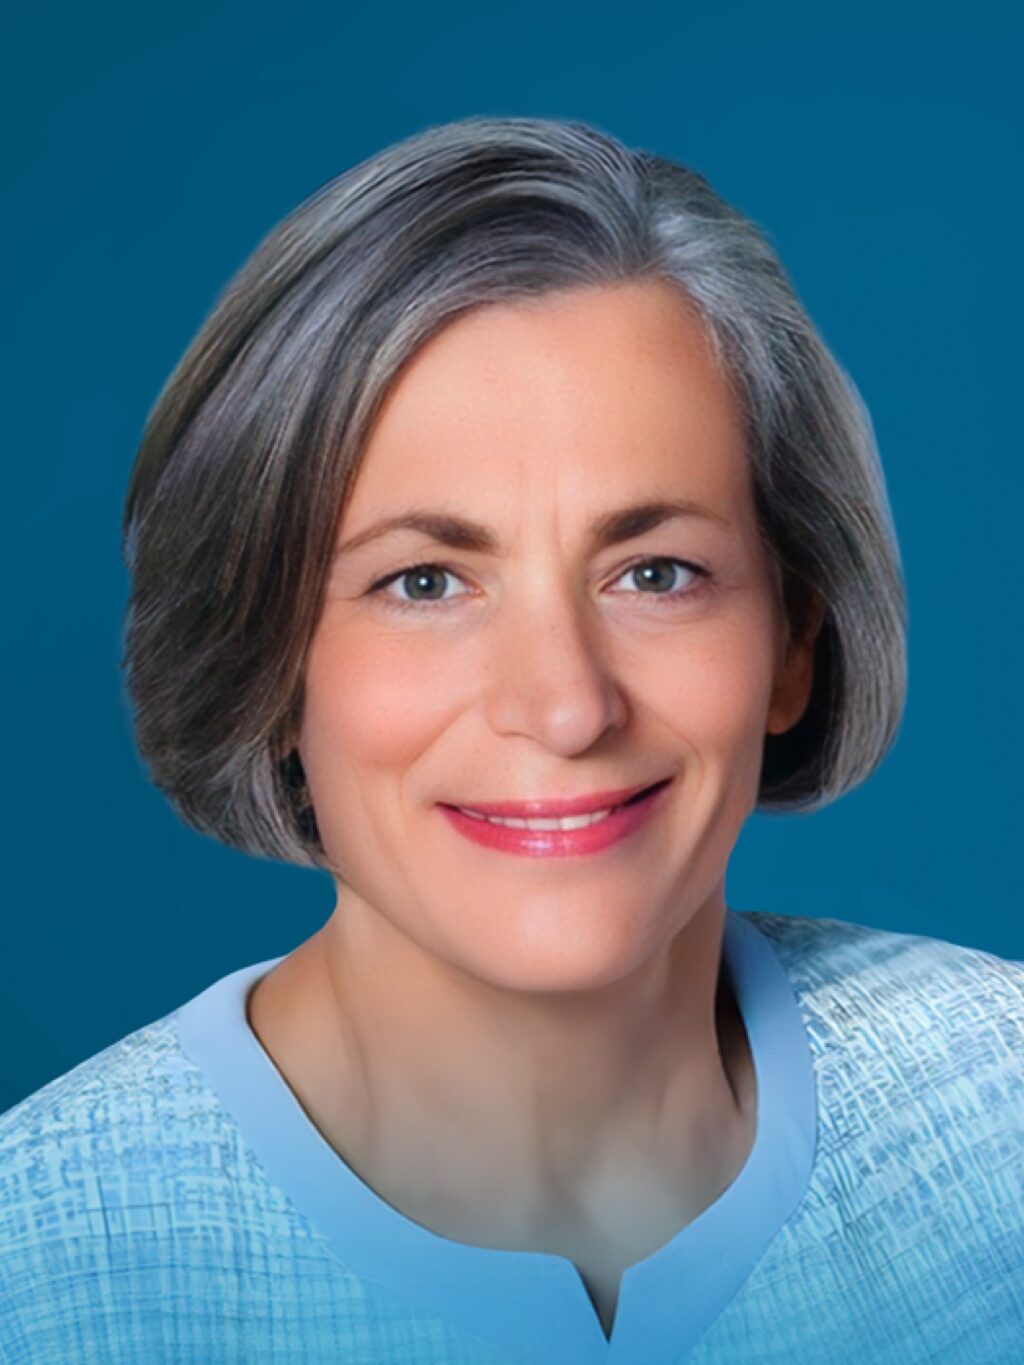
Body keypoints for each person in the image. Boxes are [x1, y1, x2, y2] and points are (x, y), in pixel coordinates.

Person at [1, 115, 1021, 1365]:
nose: (564, 706)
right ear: (267, 662)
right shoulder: (41, 1272)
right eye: (425, 583)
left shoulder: (1002, 1111)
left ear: (793, 644)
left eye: (655, 573)